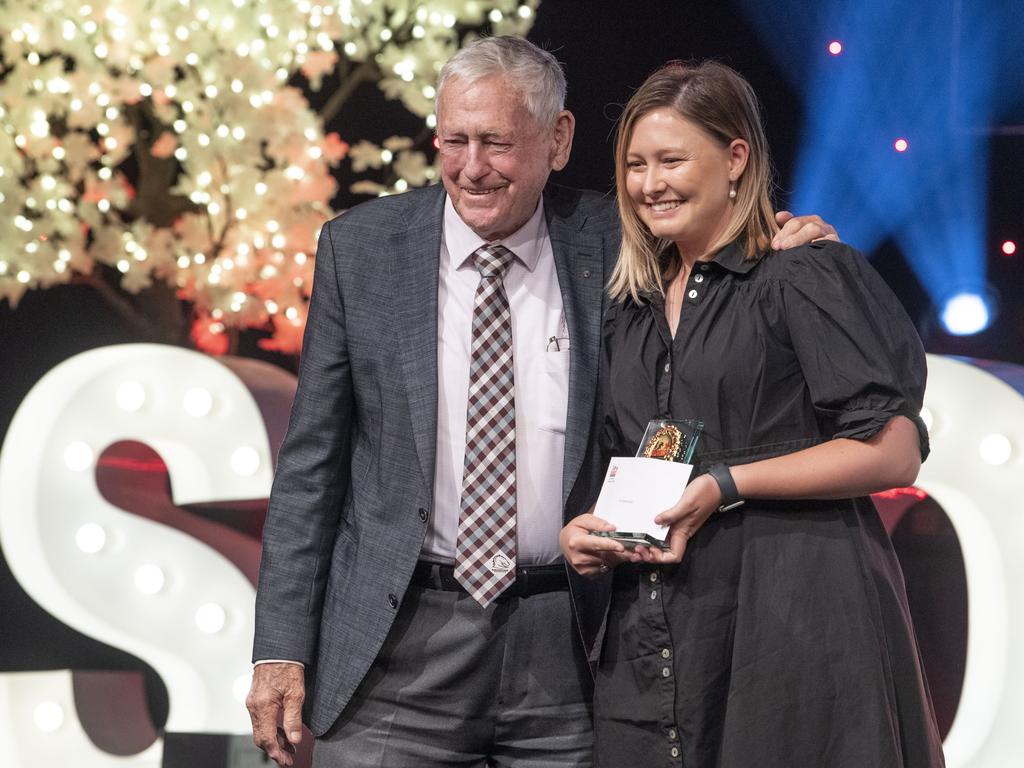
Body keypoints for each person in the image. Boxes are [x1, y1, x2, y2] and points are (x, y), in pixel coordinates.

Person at [247, 38, 835, 768]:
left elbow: (719, 253)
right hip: (397, 643)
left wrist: (786, 238)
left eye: (496, 142)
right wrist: (278, 646)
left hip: (577, 644)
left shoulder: (620, 240)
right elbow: (311, 469)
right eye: (453, 141)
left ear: (558, 140)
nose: (470, 167)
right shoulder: (361, 249)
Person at [560, 60, 946, 767]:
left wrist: (726, 482)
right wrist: (592, 532)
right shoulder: (630, 307)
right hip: (662, 636)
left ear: (736, 157)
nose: (650, 184)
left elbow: (893, 450)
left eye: (672, 159)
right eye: (636, 165)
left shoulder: (802, 273)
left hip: (797, 624)